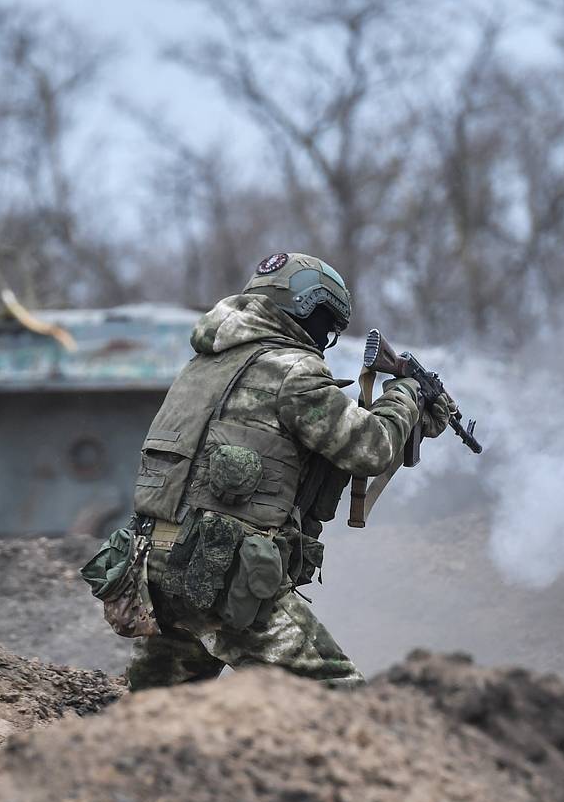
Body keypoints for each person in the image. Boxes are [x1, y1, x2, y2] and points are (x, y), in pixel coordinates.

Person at [114, 252, 452, 690]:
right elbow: (369, 448)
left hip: (153, 571)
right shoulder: (293, 369)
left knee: (157, 707)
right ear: (305, 309)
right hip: (218, 573)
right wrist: (407, 395)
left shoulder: (203, 364)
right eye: (327, 326)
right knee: (346, 706)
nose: (324, 340)